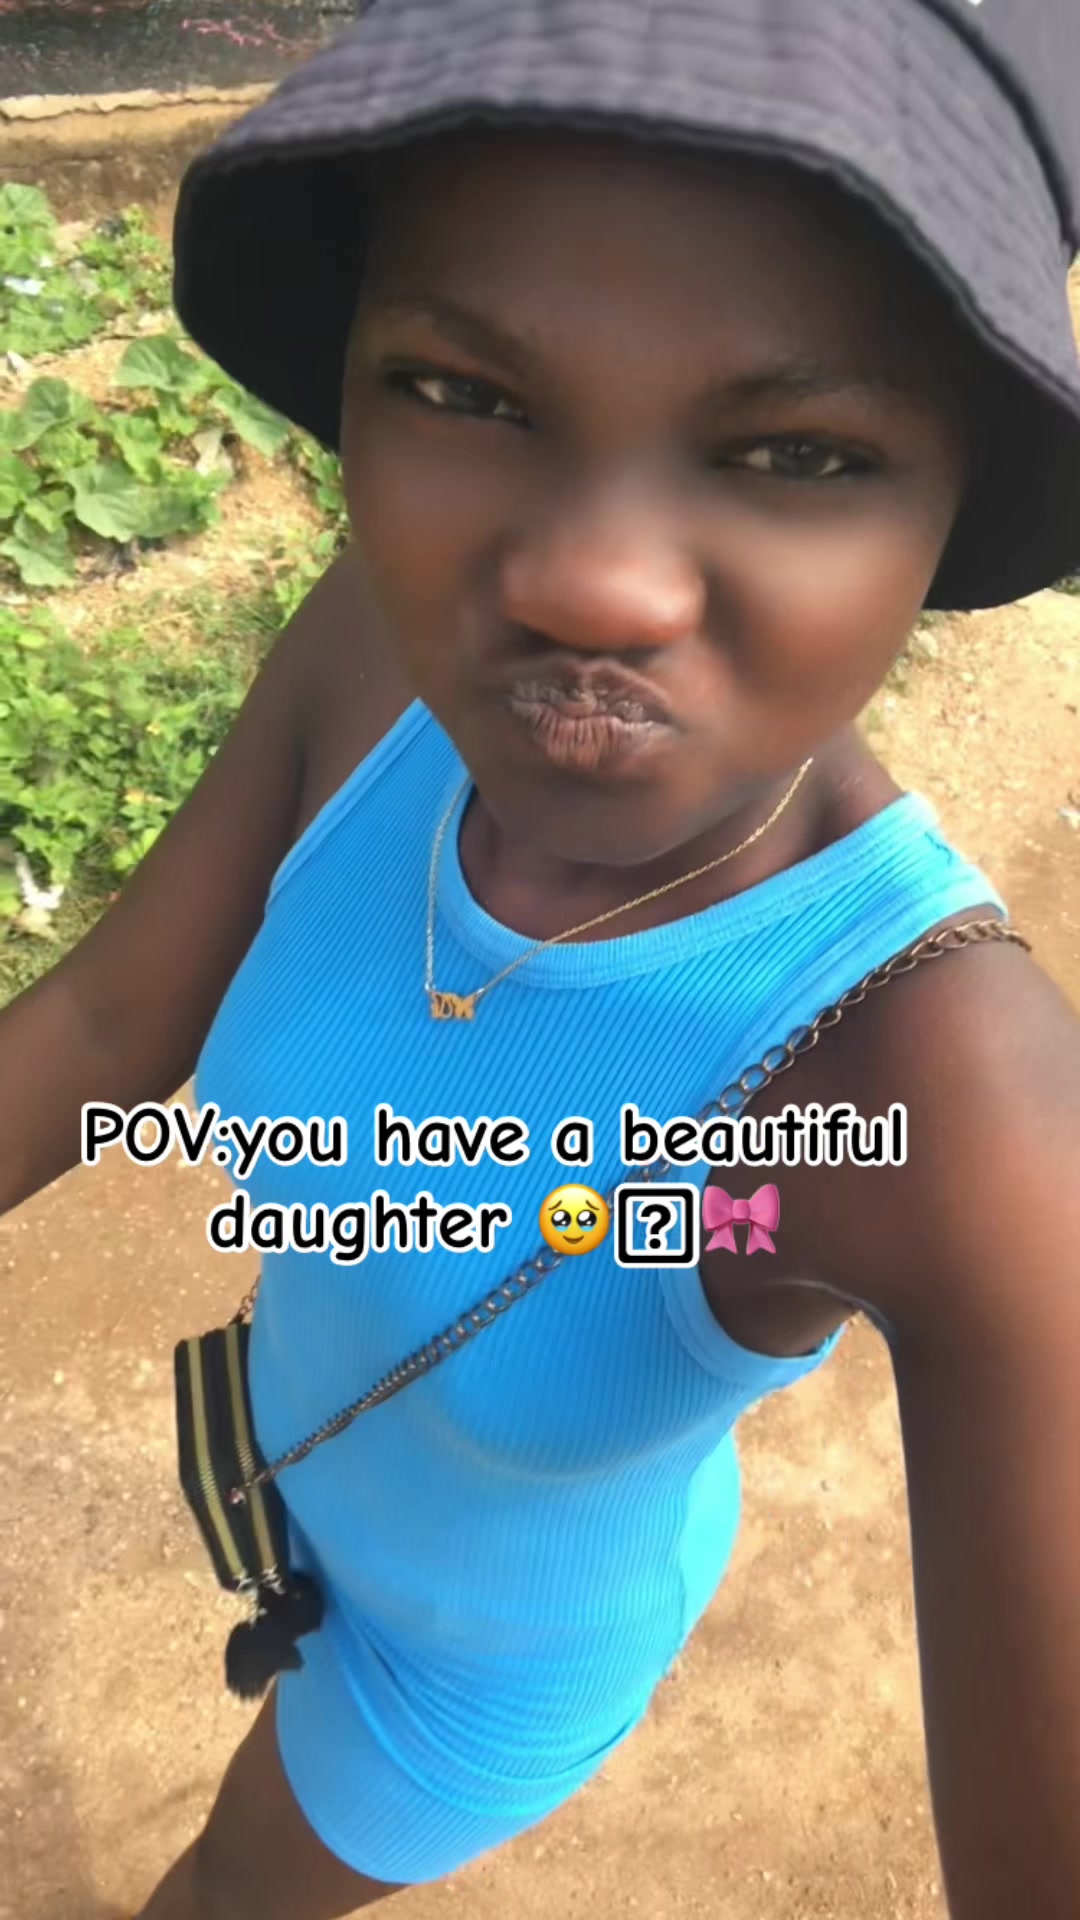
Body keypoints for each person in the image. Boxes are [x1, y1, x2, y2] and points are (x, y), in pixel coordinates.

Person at [3, 2, 1080, 1915]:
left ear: (958, 501)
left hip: (474, 1669)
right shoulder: (380, 656)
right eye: (467, 394)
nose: (588, 582)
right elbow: (98, 1022)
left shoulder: (932, 1092)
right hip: (304, 1468)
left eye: (799, 449)